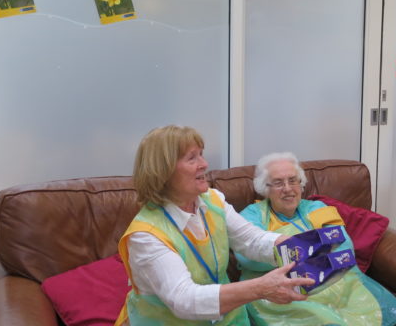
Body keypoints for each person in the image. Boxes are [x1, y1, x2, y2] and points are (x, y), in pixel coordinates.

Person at [115, 125, 313, 325]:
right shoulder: (145, 236)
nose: (204, 164)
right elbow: (184, 300)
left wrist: (294, 244)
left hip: (228, 318)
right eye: (192, 158)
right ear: (163, 171)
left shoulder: (212, 200)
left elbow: (251, 240)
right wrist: (260, 288)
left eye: (201, 155)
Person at [236, 152, 396, 326]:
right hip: (286, 294)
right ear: (264, 188)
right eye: (278, 183)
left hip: (339, 283)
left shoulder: (316, 208)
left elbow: (344, 245)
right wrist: (314, 254)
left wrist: (298, 256)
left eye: (293, 180)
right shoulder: (252, 216)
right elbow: (248, 259)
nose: (288, 189)